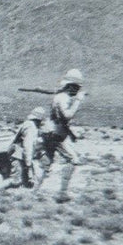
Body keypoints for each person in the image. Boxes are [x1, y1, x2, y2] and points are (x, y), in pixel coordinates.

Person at [33, 69, 85, 201]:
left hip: (50, 133)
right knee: (73, 160)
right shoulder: (63, 98)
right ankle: (62, 193)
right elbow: (67, 116)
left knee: (47, 163)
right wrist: (78, 101)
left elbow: (60, 120)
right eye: (77, 87)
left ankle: (34, 191)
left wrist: (71, 134)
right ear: (71, 86)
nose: (77, 90)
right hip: (55, 135)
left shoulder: (60, 97)